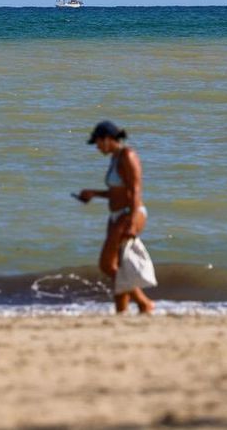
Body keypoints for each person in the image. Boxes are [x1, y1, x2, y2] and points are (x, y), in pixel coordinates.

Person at [76, 120, 154, 314]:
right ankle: (122, 311)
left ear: (108, 139)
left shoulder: (128, 155)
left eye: (98, 142)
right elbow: (118, 192)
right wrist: (93, 194)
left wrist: (131, 219)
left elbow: (135, 190)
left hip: (129, 214)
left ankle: (144, 302)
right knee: (118, 266)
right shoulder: (115, 157)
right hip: (117, 215)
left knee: (106, 265)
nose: (97, 147)